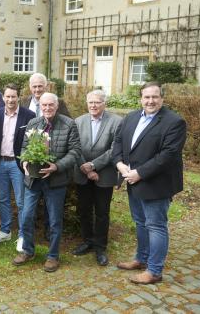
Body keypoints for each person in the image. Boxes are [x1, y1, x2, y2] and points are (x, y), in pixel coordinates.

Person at [113, 82, 186, 285]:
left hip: (156, 183)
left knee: (155, 226)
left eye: (155, 97)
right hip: (132, 180)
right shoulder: (131, 117)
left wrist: (140, 173)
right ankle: (141, 258)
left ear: (162, 98)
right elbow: (118, 141)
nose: (150, 101)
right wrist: (119, 164)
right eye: (147, 97)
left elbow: (168, 155)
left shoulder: (174, 122)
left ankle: (154, 271)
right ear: (141, 98)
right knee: (140, 222)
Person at [12, 92, 80, 273]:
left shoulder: (68, 124)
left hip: (56, 180)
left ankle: (53, 255)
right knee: (26, 216)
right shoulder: (34, 123)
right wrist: (24, 162)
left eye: (51, 105)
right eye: (44, 105)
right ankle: (28, 250)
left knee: (55, 220)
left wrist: (56, 166)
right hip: (33, 179)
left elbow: (75, 152)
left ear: (57, 106)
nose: (47, 108)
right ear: (40, 106)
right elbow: (25, 148)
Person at [72, 89, 122, 266]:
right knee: (84, 210)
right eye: (90, 102)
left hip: (104, 174)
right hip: (82, 173)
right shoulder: (78, 121)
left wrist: (94, 166)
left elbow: (115, 149)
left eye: (97, 102)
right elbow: (75, 147)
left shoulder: (116, 121)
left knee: (102, 212)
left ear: (104, 103)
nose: (93, 105)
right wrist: (85, 168)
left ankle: (100, 246)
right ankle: (87, 241)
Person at [0, 84, 35, 251]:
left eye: (13, 97)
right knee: (2, 198)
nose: (10, 100)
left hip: (18, 163)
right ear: (3, 98)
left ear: (18, 98)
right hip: (0, 162)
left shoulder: (28, 116)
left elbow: (33, 140)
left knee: (22, 201)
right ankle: (5, 230)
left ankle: (23, 234)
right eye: (7, 97)